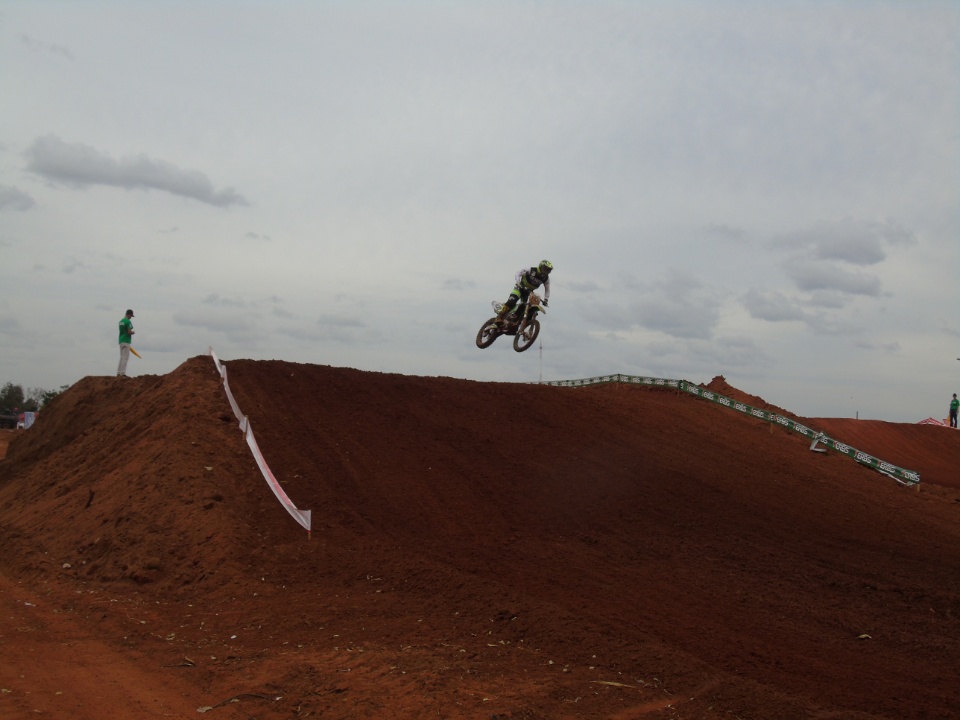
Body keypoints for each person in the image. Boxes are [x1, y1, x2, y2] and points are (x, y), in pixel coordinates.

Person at [494, 260, 552, 326]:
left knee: (526, 307)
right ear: (540, 267)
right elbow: (518, 273)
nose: (546, 271)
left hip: (529, 292)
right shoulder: (531, 270)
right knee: (511, 301)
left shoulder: (546, 278)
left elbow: (547, 289)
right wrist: (518, 282)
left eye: (548, 270)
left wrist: (546, 300)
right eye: (545, 269)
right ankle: (499, 317)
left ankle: (515, 319)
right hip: (520, 288)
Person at [117, 309, 135, 377]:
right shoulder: (128, 322)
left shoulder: (120, 321)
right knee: (125, 357)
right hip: (126, 340)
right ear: (129, 314)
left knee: (121, 357)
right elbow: (129, 332)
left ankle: (119, 372)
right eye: (131, 315)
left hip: (121, 340)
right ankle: (122, 373)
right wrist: (132, 332)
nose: (131, 317)